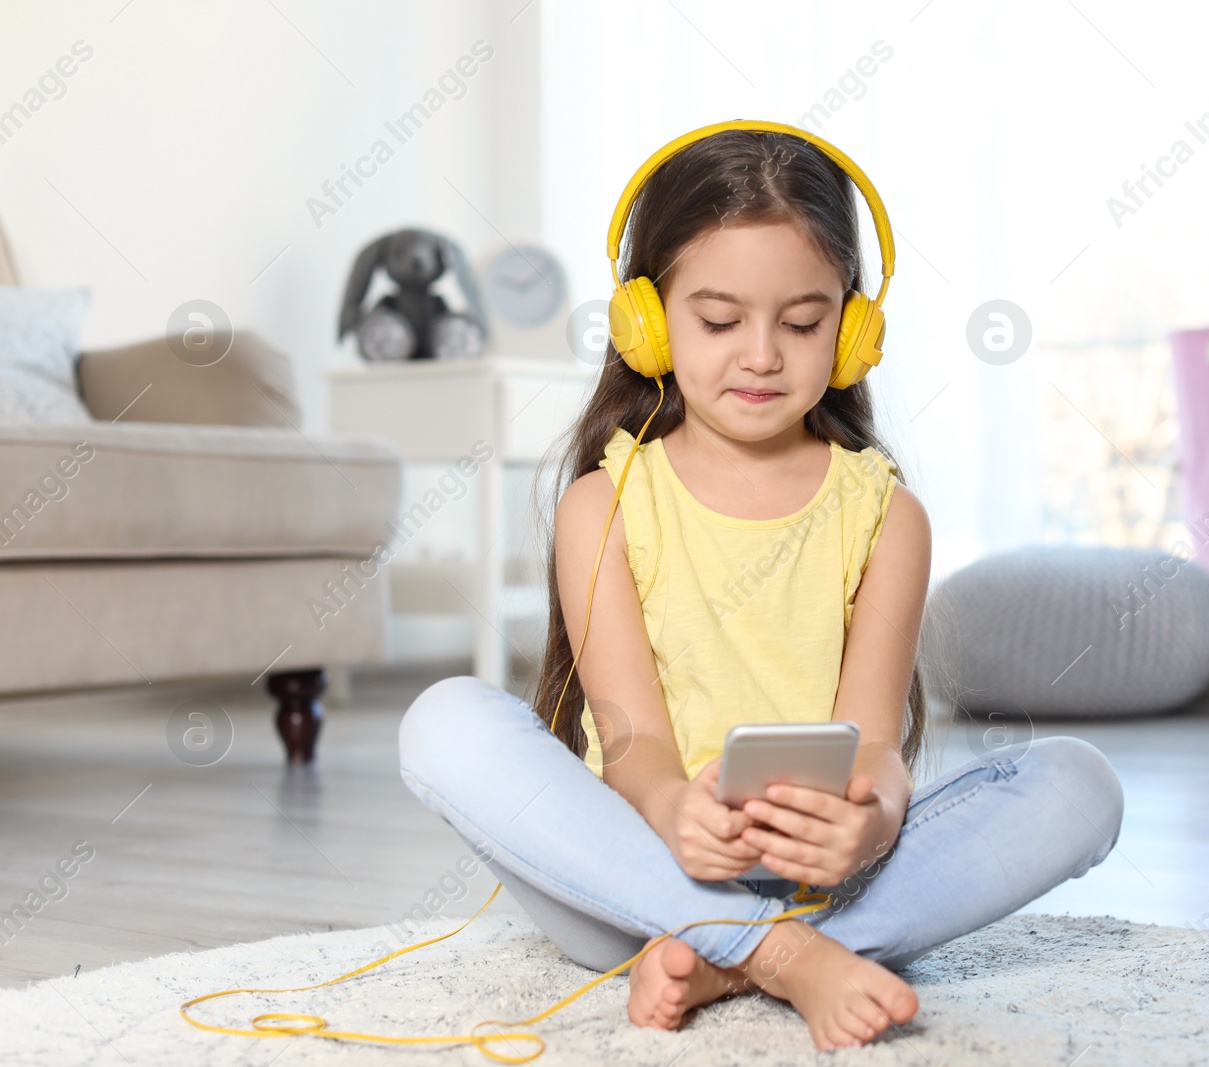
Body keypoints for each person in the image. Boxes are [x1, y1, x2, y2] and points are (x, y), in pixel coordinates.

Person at [398, 122, 1125, 1051]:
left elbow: (871, 746)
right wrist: (672, 811)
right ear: (648, 322)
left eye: (802, 321)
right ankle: (791, 960)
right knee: (444, 719)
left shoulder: (885, 515)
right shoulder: (605, 502)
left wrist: (872, 823)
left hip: (825, 880)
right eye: (718, 320)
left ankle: (727, 955)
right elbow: (634, 743)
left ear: (853, 331)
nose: (762, 356)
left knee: (1079, 783)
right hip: (628, 886)